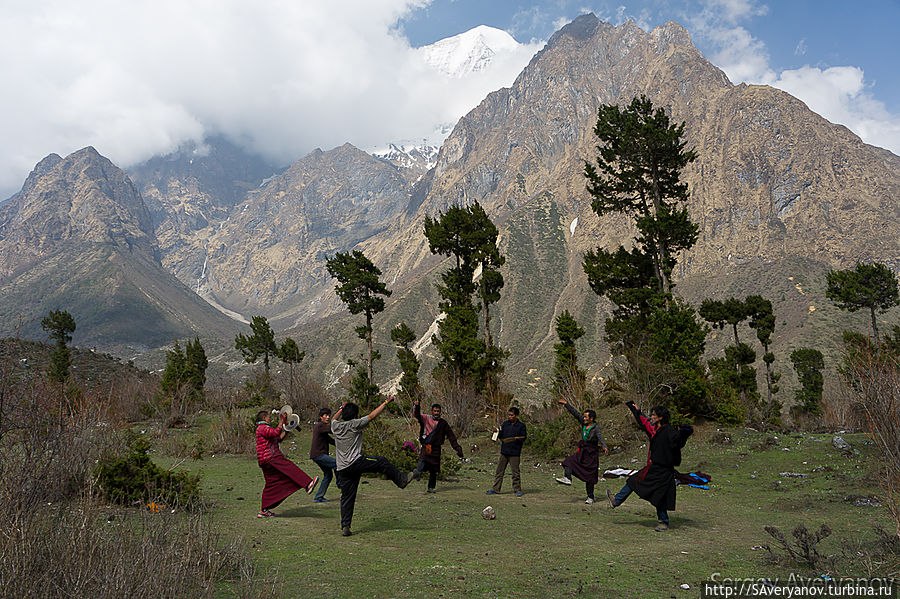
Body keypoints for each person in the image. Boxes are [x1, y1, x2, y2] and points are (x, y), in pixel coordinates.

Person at [331, 397, 413, 536]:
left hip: (342, 468)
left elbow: (333, 418)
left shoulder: (336, 426)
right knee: (382, 461)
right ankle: (401, 480)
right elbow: (372, 416)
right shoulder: (355, 424)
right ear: (355, 415)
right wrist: (385, 403)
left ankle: (345, 526)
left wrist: (341, 408)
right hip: (355, 462)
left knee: (347, 497)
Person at [606, 402, 693, 531]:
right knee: (633, 480)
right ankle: (616, 501)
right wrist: (636, 411)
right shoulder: (654, 430)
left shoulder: (670, 432)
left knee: (659, 495)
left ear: (660, 417)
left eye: (654, 415)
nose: (651, 417)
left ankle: (663, 522)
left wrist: (685, 433)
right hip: (654, 467)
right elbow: (643, 422)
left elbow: (678, 443)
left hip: (665, 470)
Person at [255, 409, 319, 518]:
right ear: (264, 418)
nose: (270, 419)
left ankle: (264, 510)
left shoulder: (263, 429)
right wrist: (281, 421)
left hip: (264, 460)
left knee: (272, 483)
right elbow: (275, 432)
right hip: (271, 456)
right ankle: (308, 484)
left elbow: (278, 438)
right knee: (289, 467)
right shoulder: (262, 428)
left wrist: (288, 428)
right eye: (268, 417)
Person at [555, 399, 608, 504]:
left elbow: (600, 437)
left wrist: (604, 446)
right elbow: (575, 413)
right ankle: (567, 477)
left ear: (591, 418)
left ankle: (590, 497)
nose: (584, 418)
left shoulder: (595, 428)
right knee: (568, 461)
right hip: (582, 451)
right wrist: (566, 404)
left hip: (591, 454)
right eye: (583, 416)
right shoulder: (583, 423)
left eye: (586, 417)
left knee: (590, 476)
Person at [409, 398, 464, 493]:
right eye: (435, 411)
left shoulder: (443, 423)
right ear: (432, 411)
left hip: (436, 448)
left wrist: (457, 448)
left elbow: (451, 436)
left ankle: (431, 488)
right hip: (427, 446)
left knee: (433, 469)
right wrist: (417, 406)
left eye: (438, 411)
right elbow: (416, 415)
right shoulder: (426, 418)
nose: (436, 413)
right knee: (422, 460)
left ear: (440, 412)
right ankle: (417, 473)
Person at [486, 406, 527, 496]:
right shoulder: (505, 424)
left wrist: (517, 439)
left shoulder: (521, 426)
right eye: (509, 415)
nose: (509, 417)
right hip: (504, 452)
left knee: (515, 473)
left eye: (511, 415)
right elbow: (501, 435)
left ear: (516, 416)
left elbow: (524, 438)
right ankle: (496, 489)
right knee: (499, 471)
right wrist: (496, 431)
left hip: (515, 453)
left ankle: (517, 490)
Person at [309, 407, 336, 503]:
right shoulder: (320, 425)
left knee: (328, 475)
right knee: (337, 464)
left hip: (317, 455)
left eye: (329, 415)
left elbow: (331, 440)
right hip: (318, 454)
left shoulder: (322, 428)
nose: (328, 417)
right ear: (321, 417)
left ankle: (318, 497)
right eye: (326, 415)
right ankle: (341, 485)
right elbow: (332, 429)